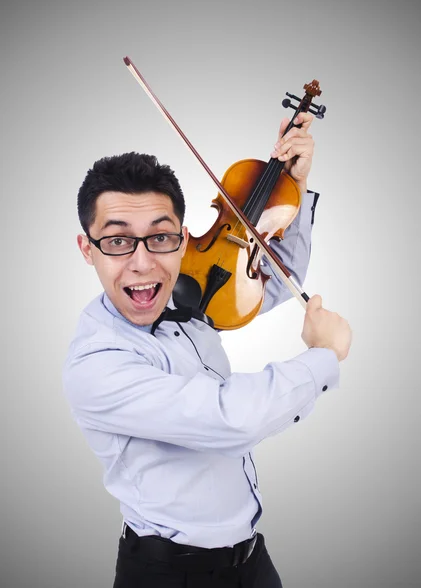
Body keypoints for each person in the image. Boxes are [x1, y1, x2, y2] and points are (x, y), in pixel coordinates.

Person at [63, 112, 352, 587]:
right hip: (169, 575)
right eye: (117, 240)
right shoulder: (96, 365)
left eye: (160, 236)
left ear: (182, 239)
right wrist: (322, 358)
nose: (142, 263)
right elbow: (227, 418)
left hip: (253, 562)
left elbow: (274, 281)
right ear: (86, 247)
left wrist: (295, 187)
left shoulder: (187, 299)